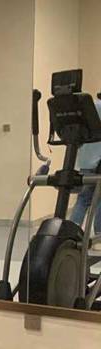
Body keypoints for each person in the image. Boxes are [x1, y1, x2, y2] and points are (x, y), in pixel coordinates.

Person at [69, 96, 101, 241]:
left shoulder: (88, 107)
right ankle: (99, 236)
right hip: (99, 162)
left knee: (82, 200)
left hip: (85, 162)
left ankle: (71, 233)